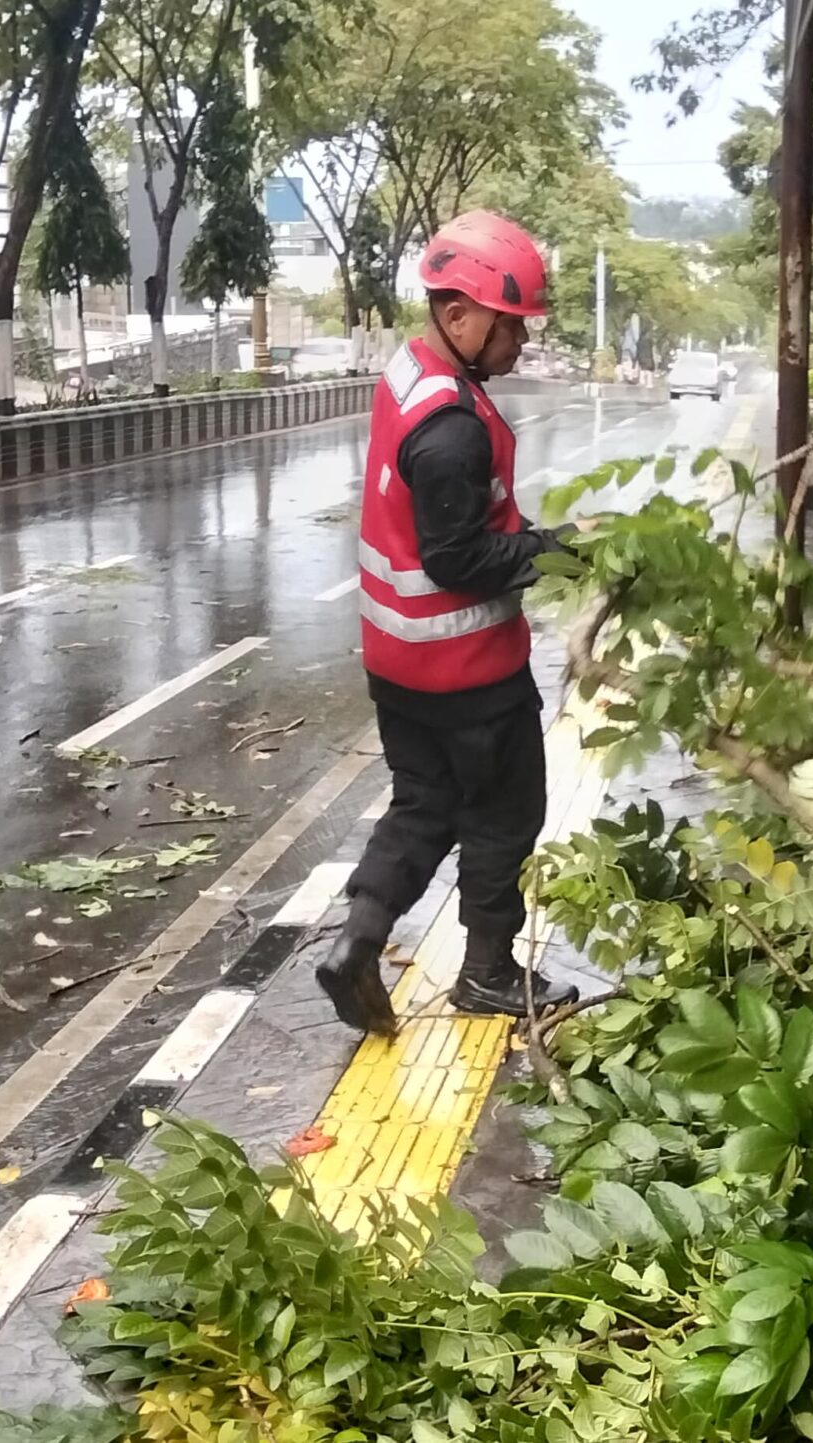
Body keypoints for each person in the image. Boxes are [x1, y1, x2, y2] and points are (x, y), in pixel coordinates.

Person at [313, 211, 581, 1036]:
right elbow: (456, 556)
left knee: (422, 805)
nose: (519, 345)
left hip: (398, 662)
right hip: (468, 670)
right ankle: (490, 973)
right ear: (459, 315)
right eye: (511, 328)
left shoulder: (414, 375)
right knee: (506, 809)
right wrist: (555, 552)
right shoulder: (454, 430)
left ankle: (357, 941)